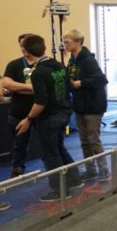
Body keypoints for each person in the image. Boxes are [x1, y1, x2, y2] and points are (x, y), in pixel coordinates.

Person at [16, 34, 82, 201]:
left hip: (49, 118)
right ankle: (74, 179)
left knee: (50, 154)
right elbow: (68, 87)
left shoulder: (38, 73)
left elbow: (40, 102)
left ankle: (60, 190)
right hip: (64, 113)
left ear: (26, 52)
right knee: (59, 148)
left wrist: (28, 119)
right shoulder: (59, 66)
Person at [63, 29, 109, 181]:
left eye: (67, 42)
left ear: (77, 42)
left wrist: (81, 83)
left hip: (93, 105)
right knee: (84, 140)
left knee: (93, 139)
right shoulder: (72, 60)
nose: (65, 45)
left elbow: (101, 79)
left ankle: (103, 170)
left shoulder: (88, 60)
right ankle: (90, 169)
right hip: (80, 105)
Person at [2, 33, 36, 177]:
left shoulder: (44, 64)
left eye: (27, 45)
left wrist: (20, 88)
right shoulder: (14, 64)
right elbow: (8, 84)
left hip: (42, 110)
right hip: (19, 111)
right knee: (18, 143)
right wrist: (33, 88)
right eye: (22, 45)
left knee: (50, 143)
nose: (24, 49)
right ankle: (17, 168)